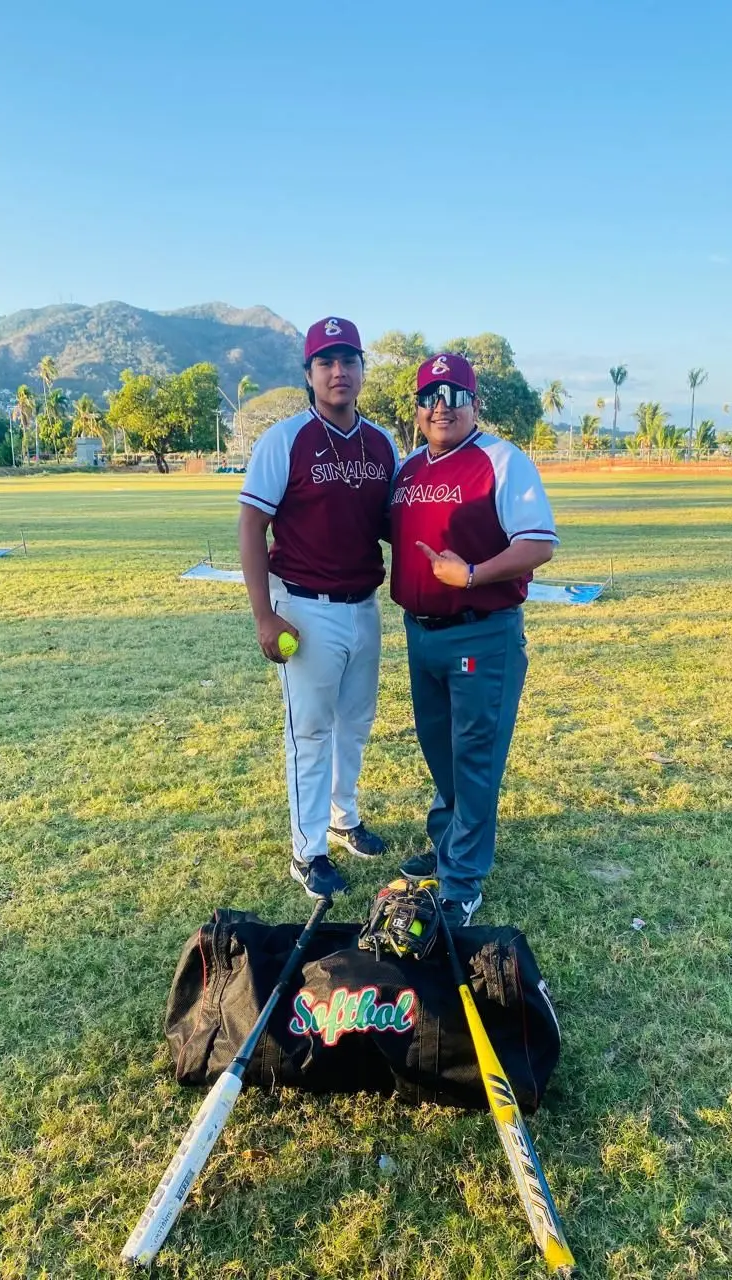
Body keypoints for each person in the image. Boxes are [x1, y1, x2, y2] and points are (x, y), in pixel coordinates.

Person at [389, 353, 558, 926]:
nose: (441, 406)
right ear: (416, 409)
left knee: (474, 758)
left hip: (481, 633)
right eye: (430, 396)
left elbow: (538, 544)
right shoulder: (409, 468)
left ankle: (462, 881)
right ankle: (447, 848)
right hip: (421, 633)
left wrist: (471, 574)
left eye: (454, 395)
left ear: (474, 403)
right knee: (441, 754)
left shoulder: (501, 461)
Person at [238, 317, 399, 899]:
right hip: (304, 606)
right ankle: (307, 851)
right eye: (325, 362)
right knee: (309, 730)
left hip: (363, 603)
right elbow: (252, 523)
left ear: (361, 370)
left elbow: (392, 523)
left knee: (354, 722)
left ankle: (343, 815)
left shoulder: (381, 442)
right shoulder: (285, 438)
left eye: (348, 360)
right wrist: (264, 614)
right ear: (308, 374)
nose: (338, 371)